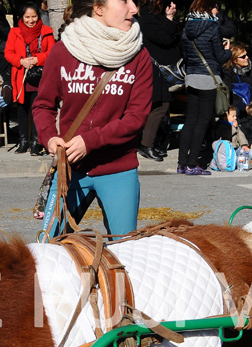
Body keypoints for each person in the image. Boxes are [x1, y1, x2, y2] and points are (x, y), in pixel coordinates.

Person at [33, 0, 152, 237]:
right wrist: (49, 137)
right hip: (71, 169)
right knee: (48, 248)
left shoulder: (140, 56)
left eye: (134, 2)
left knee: (125, 251)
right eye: (124, 1)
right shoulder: (63, 49)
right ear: (99, 8)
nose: (134, 8)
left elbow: (136, 118)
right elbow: (43, 105)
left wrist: (91, 140)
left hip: (118, 169)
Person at [177, 0, 230, 176]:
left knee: (190, 120)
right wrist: (228, 50)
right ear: (209, 8)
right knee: (202, 121)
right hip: (208, 79)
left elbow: (184, 54)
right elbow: (220, 57)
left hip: (191, 77)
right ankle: (193, 164)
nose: (217, 11)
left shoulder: (187, 28)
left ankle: (181, 163)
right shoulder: (213, 27)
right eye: (216, 7)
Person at [5, 2, 55, 155]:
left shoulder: (46, 31)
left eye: (34, 16)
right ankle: (23, 141)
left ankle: (35, 142)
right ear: (22, 17)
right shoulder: (14, 32)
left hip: (40, 76)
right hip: (21, 76)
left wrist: (36, 59)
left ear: (38, 16)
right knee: (22, 110)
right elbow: (8, 53)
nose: (31, 20)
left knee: (36, 110)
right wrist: (21, 61)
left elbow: (52, 53)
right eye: (27, 17)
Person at [138, 0, 181, 162]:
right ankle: (146, 144)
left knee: (160, 106)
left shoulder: (155, 18)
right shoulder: (146, 19)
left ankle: (151, 143)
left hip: (162, 69)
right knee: (160, 106)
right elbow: (164, 38)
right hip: (154, 69)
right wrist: (169, 19)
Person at [222, 42, 252, 117]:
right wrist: (243, 106)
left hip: (250, 102)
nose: (247, 58)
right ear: (234, 60)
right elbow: (228, 92)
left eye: (246, 55)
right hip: (235, 102)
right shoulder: (227, 71)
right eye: (243, 57)